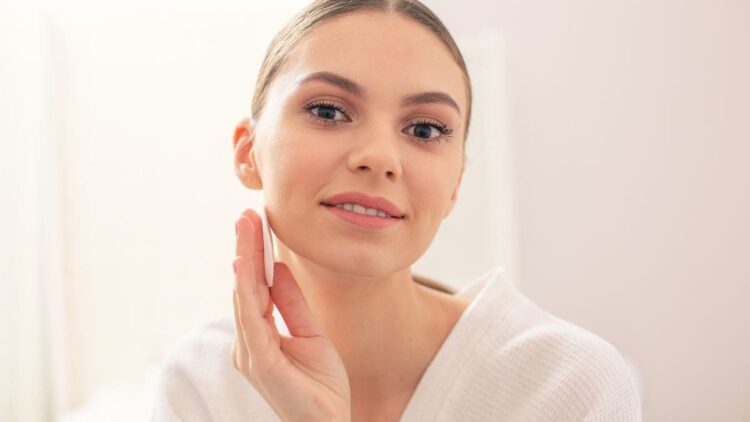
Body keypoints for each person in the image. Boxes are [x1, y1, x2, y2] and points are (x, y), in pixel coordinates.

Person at [150, 0, 643, 421]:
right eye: (327, 111)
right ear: (247, 151)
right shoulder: (198, 386)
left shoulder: (568, 385)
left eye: (425, 129)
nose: (380, 157)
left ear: (455, 187)